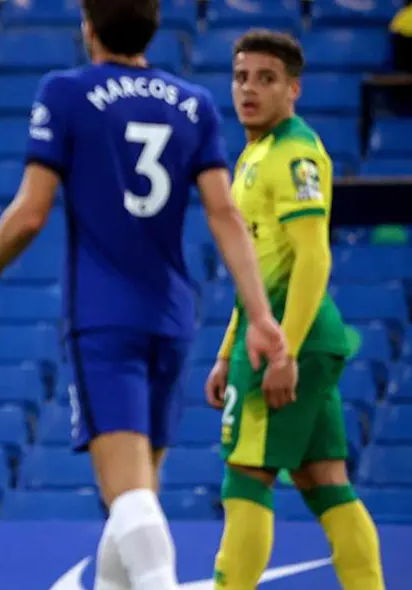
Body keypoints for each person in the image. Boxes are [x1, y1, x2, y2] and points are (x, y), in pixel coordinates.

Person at [0, 1, 287, 589]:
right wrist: (259, 315)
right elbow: (224, 214)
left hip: (104, 316)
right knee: (137, 496)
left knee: (127, 495)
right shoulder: (194, 102)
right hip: (171, 316)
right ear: (154, 28)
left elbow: (31, 212)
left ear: (89, 26)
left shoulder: (66, 92)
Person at [206, 30, 385, 590]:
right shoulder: (255, 153)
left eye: (266, 79)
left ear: (294, 89)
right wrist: (225, 350)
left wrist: (283, 350)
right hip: (283, 334)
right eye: (241, 77)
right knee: (325, 481)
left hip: (287, 338)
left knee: (245, 475)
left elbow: (313, 255)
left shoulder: (294, 154)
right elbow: (254, 272)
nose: (249, 89)